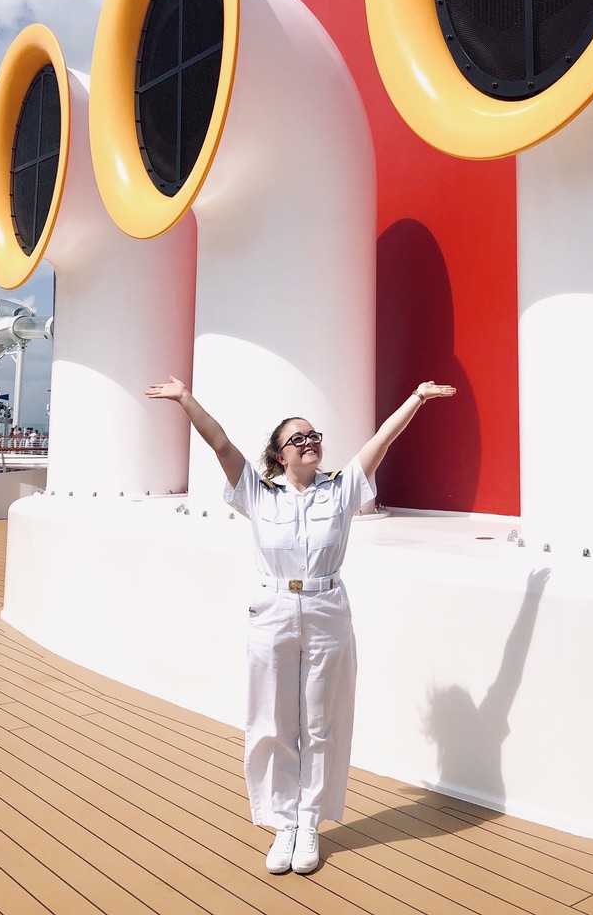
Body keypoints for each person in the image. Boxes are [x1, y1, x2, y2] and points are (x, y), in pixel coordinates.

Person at [145, 374, 457, 874]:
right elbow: (220, 442)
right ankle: (282, 823)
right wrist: (186, 400)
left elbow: (382, 440)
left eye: (314, 435)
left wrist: (416, 397)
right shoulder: (256, 492)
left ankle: (309, 822)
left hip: (327, 609)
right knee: (270, 720)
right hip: (270, 611)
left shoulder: (342, 489)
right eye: (298, 438)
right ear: (279, 455)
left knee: (320, 722)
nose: (310, 442)